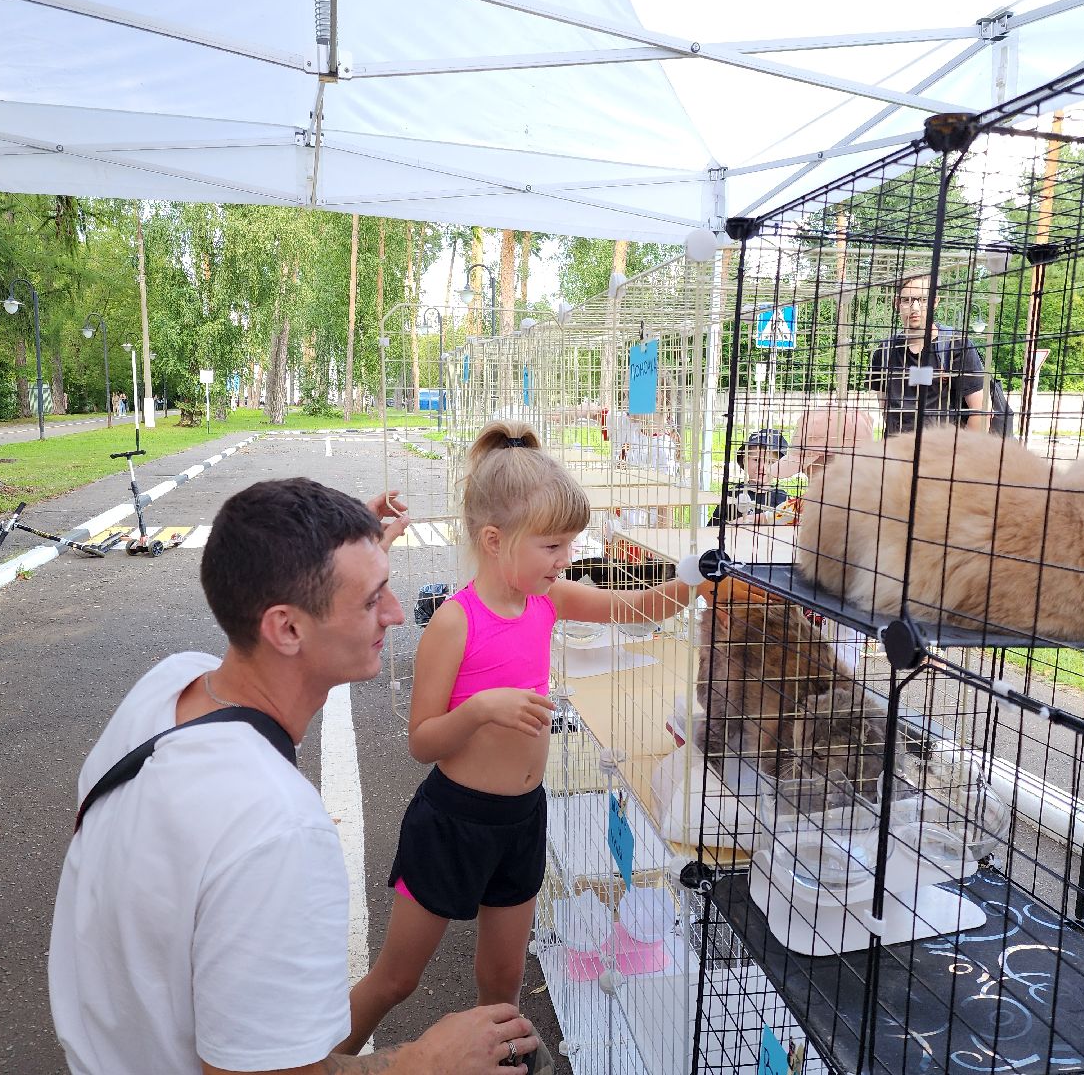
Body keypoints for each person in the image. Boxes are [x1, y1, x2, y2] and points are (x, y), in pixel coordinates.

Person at [48, 478, 541, 1075]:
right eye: (370, 599)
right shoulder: (277, 828)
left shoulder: (169, 685)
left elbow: (268, 585)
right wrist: (424, 1062)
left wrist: (343, 550)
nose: (395, 614)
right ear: (286, 628)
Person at [342, 421, 693, 1066]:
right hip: (454, 821)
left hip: (522, 819)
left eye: (569, 546)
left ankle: (495, 1059)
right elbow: (422, 741)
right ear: (494, 541)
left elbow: (631, 607)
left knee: (501, 980)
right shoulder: (455, 622)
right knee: (397, 979)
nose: (565, 560)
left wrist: (698, 584)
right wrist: (480, 710)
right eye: (553, 546)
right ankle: (316, 1059)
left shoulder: (548, 599)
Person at [868, 274, 990, 436]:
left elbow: (981, 411)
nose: (915, 308)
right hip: (895, 452)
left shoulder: (955, 346)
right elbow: (885, 406)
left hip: (940, 453)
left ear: (935, 302)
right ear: (897, 303)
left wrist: (961, 455)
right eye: (907, 300)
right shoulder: (884, 351)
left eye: (923, 300)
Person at [709, 427, 792, 525]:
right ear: (744, 461)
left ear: (780, 466)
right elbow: (714, 528)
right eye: (756, 460)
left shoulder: (782, 498)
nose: (762, 467)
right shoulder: (732, 495)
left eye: (771, 462)